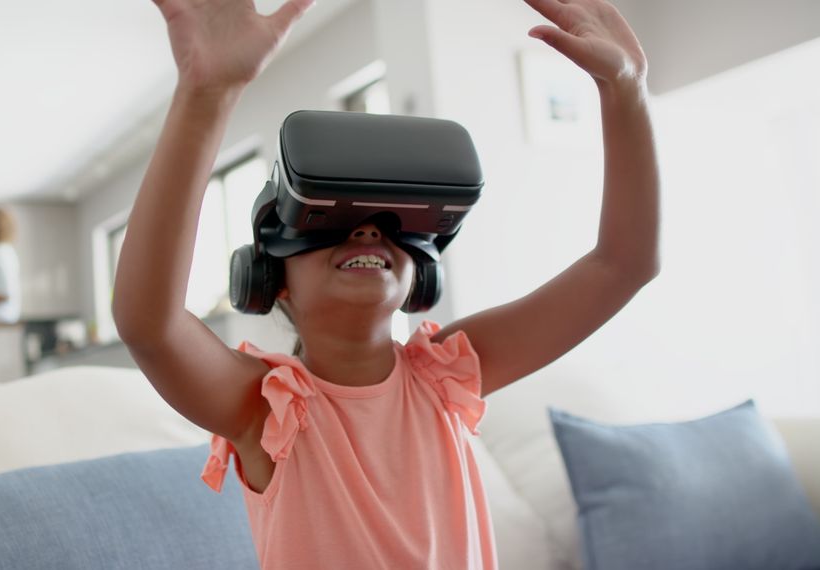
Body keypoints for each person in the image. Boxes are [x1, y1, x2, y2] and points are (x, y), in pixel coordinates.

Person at [112, 0, 659, 567]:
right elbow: (149, 325)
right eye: (335, 223)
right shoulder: (266, 410)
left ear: (422, 270)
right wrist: (206, 95)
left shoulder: (446, 374)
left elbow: (624, 264)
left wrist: (626, 90)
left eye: (389, 224)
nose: (368, 230)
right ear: (273, 278)